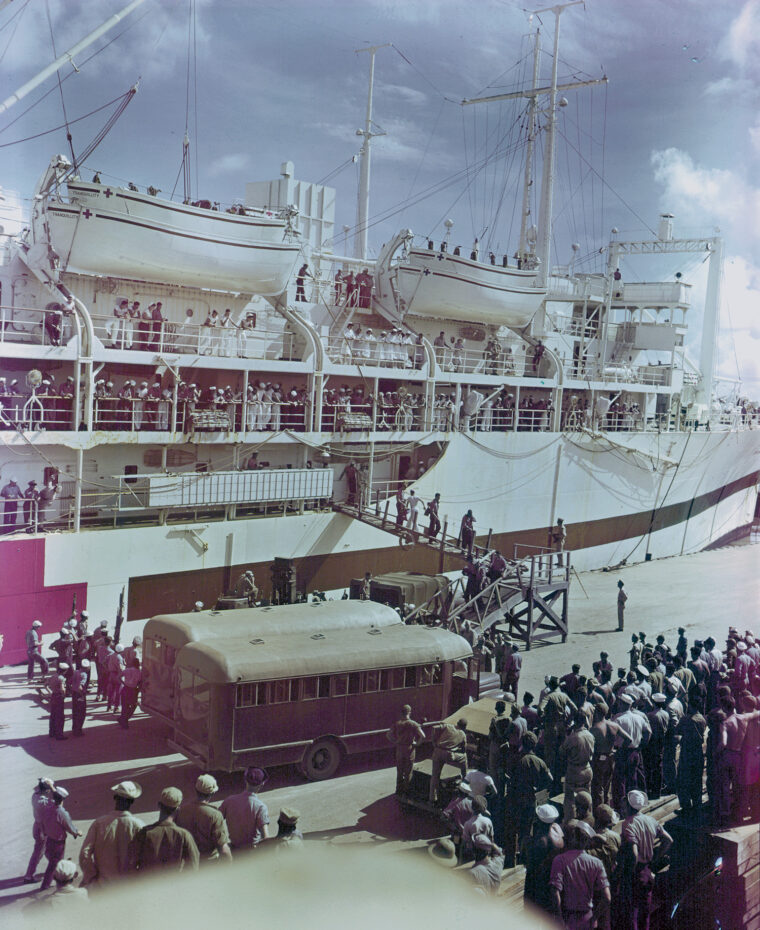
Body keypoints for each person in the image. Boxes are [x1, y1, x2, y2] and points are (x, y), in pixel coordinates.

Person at [617, 790, 673, 930]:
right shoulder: (651, 821)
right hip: (648, 872)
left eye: (624, 805)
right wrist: (655, 858)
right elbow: (668, 840)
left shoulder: (628, 824)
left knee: (632, 914)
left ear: (630, 807)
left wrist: (629, 871)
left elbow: (634, 853)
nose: (622, 808)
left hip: (636, 873)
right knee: (645, 913)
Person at [79, 781, 145, 887]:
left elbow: (84, 854)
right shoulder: (139, 826)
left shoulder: (99, 823)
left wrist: (92, 876)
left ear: (115, 798)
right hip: (128, 886)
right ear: (132, 801)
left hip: (103, 885)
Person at [550, 822, 611, 930]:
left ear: (572, 838)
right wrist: (594, 918)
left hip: (567, 918)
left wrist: (559, 919)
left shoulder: (559, 860)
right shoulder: (596, 863)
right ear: (587, 841)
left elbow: (555, 892)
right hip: (587, 919)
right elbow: (607, 897)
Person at [135, 787, 200, 872]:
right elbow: (193, 867)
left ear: (159, 805)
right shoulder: (184, 835)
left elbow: (132, 864)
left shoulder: (144, 833)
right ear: (177, 810)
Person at [176, 774, 232, 863]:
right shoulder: (215, 815)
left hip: (188, 861)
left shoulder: (182, 810)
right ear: (212, 793)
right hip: (208, 862)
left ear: (196, 790)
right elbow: (223, 848)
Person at [40, 785, 82, 889]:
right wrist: (77, 833)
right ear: (63, 799)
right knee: (54, 864)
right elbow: (69, 826)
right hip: (58, 842)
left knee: (51, 858)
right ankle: (46, 886)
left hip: (49, 838)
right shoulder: (62, 813)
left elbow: (42, 821)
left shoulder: (47, 807)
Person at [220, 766, 270, 850]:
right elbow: (265, 837)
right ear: (262, 784)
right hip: (252, 851)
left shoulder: (229, 801)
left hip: (234, 848)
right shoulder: (260, 807)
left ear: (245, 780)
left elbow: (215, 820)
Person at [561, 714, 595, 824]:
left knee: (570, 800)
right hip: (587, 768)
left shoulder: (573, 737)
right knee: (586, 797)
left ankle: (569, 824)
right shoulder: (590, 735)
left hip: (574, 771)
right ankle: (588, 820)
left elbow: (562, 751)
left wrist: (567, 735)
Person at [387, 704, 425, 795]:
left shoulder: (397, 723)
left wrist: (395, 741)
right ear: (409, 712)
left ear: (401, 713)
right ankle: (406, 791)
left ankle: (398, 789)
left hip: (399, 748)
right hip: (409, 748)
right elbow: (423, 736)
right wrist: (417, 743)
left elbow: (388, 735)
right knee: (408, 771)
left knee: (400, 770)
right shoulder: (413, 724)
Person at [429, 718, 468, 803]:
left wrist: (433, 741)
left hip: (437, 751)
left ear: (457, 723)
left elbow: (434, 728)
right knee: (464, 757)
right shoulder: (463, 734)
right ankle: (465, 778)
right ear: (464, 727)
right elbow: (464, 749)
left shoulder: (448, 726)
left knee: (435, 775)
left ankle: (432, 798)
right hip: (449, 755)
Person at [24, 777, 55, 883]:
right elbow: (58, 799)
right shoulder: (43, 801)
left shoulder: (36, 795)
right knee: (39, 853)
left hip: (38, 827)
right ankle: (29, 876)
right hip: (43, 829)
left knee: (47, 850)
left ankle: (57, 868)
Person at [70, 659, 89, 737]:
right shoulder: (84, 674)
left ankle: (74, 728)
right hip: (79, 694)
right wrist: (82, 693)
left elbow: (70, 682)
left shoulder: (76, 672)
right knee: (81, 713)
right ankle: (78, 730)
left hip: (74, 693)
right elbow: (80, 686)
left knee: (75, 712)